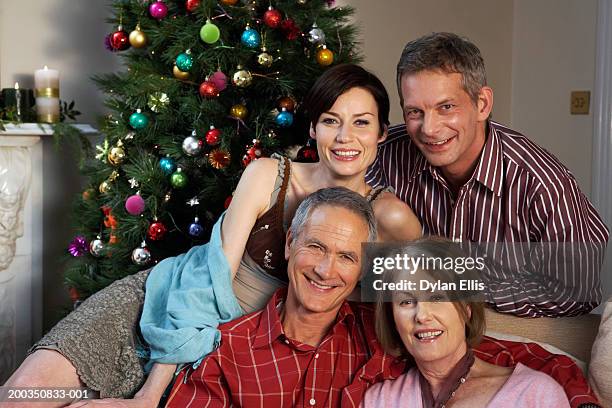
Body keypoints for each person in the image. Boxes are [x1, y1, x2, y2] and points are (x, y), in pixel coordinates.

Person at [3, 64, 421, 408]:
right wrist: (149, 396)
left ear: (383, 132)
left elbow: (414, 307)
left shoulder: (391, 219)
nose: (346, 138)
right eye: (331, 121)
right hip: (166, 302)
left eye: (362, 123)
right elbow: (207, 279)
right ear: (313, 128)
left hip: (222, 345)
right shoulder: (270, 177)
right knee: (25, 397)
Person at [166, 192, 598, 408]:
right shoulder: (228, 350)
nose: (325, 270)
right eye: (315, 247)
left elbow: (483, 354)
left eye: (347, 256)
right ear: (289, 246)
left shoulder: (380, 335)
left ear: (360, 270)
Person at [366, 32, 609, 317]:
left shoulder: (541, 182)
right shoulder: (382, 153)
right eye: (415, 112)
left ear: (482, 104)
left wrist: (462, 287)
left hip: (506, 336)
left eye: (446, 107)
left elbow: (578, 291)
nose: (429, 129)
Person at [362, 239, 571, 407]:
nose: (422, 315)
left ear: (467, 309)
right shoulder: (379, 400)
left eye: (436, 298)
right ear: (392, 318)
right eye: (406, 301)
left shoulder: (535, 393)